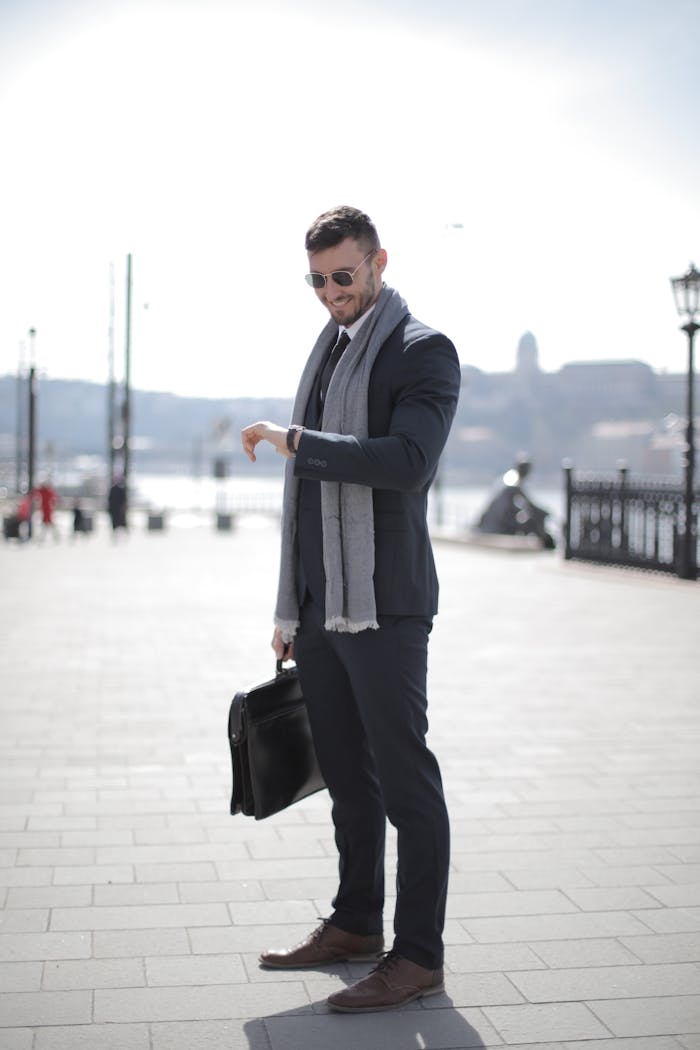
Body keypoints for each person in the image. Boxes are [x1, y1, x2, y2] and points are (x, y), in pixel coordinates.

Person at [241, 206, 461, 1014]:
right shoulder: (330, 350)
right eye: (318, 280)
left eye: (344, 275)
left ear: (377, 263)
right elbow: (309, 503)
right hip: (322, 607)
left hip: (387, 606)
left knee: (408, 784)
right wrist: (290, 607)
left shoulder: (421, 351)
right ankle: (355, 923)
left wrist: (298, 439)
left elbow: (408, 463)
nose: (331, 291)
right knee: (349, 781)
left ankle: (418, 957)